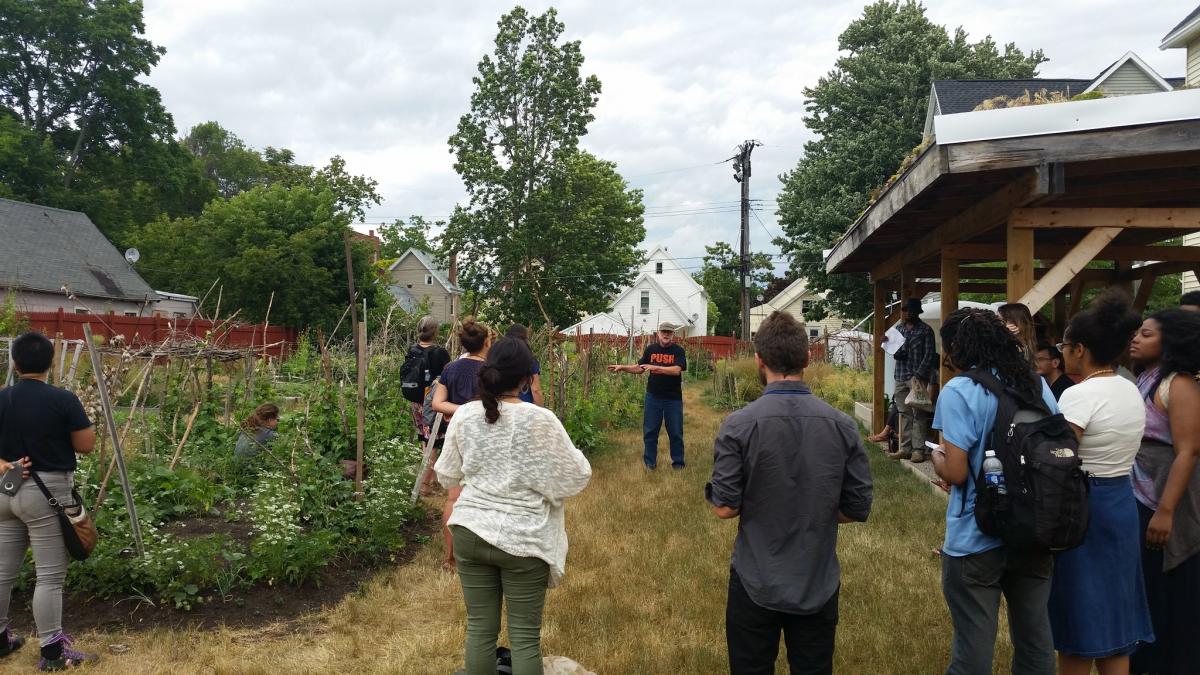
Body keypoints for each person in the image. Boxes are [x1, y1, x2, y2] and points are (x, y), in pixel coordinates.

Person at [707, 311, 872, 675]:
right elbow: (858, 507)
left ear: (759, 361)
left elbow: (724, 507)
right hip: (817, 578)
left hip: (755, 578)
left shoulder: (739, 425)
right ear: (807, 358)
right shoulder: (842, 425)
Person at [436, 337, 591, 675]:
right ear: (525, 378)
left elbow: (446, 474)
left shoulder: (464, 416)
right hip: (525, 539)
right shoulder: (540, 420)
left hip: (470, 531)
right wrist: (545, 487)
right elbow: (578, 475)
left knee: (479, 628)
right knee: (523, 639)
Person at [930, 308, 1058, 675]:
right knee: (1035, 642)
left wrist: (937, 457)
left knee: (973, 646)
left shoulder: (959, 390)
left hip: (976, 533)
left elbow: (955, 472)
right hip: (1035, 526)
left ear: (956, 348)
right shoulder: (1036, 384)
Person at [1048, 290, 1153, 675]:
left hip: (1084, 506)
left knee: (1078, 614)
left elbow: (1059, 459)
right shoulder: (1129, 388)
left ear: (1079, 348)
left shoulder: (1079, 395)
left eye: (1064, 345)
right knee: (1115, 613)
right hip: (1121, 502)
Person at [0, 332, 96, 670]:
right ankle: (53, 652)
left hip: (5, 490)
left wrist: (6, 466)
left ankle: (0, 640)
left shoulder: (2, 398)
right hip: (46, 492)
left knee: (2, 572)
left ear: (14, 362)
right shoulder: (62, 399)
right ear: (51, 362)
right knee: (50, 576)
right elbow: (86, 444)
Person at [1128, 308, 1200, 674]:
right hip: (1140, 494)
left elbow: (1187, 451)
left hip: (1167, 501)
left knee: (1171, 596)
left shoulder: (1179, 384)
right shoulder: (1145, 377)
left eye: (1146, 334)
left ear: (1170, 341)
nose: (1136, 339)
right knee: (1148, 592)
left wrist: (1166, 511)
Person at [432, 318, 493, 570]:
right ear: (487, 342)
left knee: (454, 498)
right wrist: (471, 411)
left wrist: (458, 411)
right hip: (484, 438)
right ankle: (483, 554)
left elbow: (437, 403)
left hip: (455, 436)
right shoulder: (491, 370)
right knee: (485, 495)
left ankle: (452, 557)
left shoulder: (451, 368)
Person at [607, 322, 687, 470]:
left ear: (673, 335)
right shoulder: (651, 349)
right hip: (653, 397)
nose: (666, 334)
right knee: (650, 431)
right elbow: (640, 368)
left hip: (673, 399)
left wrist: (655, 367)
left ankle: (678, 464)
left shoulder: (678, 351)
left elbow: (676, 370)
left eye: (669, 332)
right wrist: (622, 367)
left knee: (675, 432)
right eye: (664, 331)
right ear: (658, 333)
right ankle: (650, 463)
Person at [886, 298, 936, 463]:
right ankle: (905, 449)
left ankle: (918, 450)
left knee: (918, 413)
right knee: (904, 413)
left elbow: (929, 355)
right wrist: (889, 347)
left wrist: (919, 374)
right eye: (906, 310)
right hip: (900, 375)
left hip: (917, 378)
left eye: (911, 311)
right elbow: (894, 350)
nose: (908, 313)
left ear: (917, 312)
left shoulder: (926, 330)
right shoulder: (898, 329)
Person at [407, 315, 452, 494]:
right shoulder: (440, 352)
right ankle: (425, 485)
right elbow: (449, 375)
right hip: (433, 403)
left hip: (416, 402)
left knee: (424, 438)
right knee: (432, 440)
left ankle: (430, 479)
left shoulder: (412, 350)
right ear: (435, 331)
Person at [504, 324, 544, 406]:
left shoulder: (501, 357)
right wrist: (541, 411)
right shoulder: (529, 359)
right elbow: (535, 389)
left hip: (503, 405)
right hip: (525, 406)